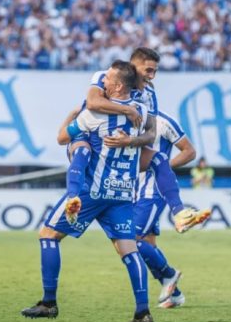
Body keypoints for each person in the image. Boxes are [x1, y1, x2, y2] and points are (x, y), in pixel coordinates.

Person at [21, 61, 155, 322]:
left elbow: (62, 138)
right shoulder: (141, 110)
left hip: (91, 191)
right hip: (123, 192)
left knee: (48, 235)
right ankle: (143, 313)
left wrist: (72, 116)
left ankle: (48, 303)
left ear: (117, 85)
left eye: (107, 80)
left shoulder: (93, 115)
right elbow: (150, 136)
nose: (102, 83)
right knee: (129, 250)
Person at [83, 47, 211, 233]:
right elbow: (92, 102)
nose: (152, 76)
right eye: (148, 70)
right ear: (133, 67)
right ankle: (73, 197)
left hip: (124, 156)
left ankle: (180, 213)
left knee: (159, 159)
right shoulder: (106, 76)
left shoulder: (149, 94)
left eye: (155, 71)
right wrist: (128, 110)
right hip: (94, 144)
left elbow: (151, 133)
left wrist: (130, 142)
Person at [135, 110, 196, 309]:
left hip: (153, 191)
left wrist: (162, 166)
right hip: (131, 190)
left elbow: (189, 151)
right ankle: (175, 294)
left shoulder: (164, 122)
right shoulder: (125, 116)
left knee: (132, 239)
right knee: (148, 245)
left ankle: (170, 275)